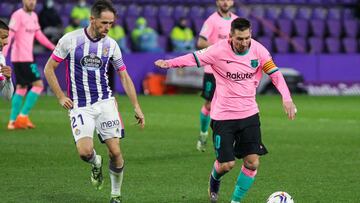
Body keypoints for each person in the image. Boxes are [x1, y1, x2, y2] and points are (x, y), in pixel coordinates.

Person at [155, 18, 297, 203]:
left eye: (247, 37)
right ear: (231, 36)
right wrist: (170, 63)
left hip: (249, 114)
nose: (244, 42)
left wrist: (287, 98)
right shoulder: (218, 50)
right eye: (239, 38)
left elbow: (275, 74)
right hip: (224, 116)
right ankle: (214, 179)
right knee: (226, 165)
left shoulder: (259, 50)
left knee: (252, 162)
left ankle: (235, 201)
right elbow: (194, 58)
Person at [44, 1, 145, 203]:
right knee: (84, 152)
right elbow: (49, 68)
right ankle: (95, 163)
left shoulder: (111, 45)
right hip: (80, 105)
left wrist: (136, 106)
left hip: (105, 102)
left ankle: (115, 195)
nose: (108, 27)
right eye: (104, 22)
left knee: (115, 152)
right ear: (92, 19)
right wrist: (61, 96)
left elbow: (124, 77)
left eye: (111, 23)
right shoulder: (71, 40)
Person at [3, 0, 55, 130]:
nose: (31, 2)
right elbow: (9, 37)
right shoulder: (17, 15)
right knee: (39, 85)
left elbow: (39, 35)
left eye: (33, 0)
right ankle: (23, 116)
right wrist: (2, 55)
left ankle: (12, 121)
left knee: (21, 88)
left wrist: (53, 47)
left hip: (27, 57)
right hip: (20, 58)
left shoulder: (34, 16)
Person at [196, 0, 238, 152]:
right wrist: (219, 49)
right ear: (217, 2)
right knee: (209, 105)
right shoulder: (211, 21)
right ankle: (203, 134)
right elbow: (200, 42)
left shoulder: (236, 21)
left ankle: (225, 139)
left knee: (230, 105)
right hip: (212, 71)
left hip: (230, 71)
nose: (225, 2)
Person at [0, 20, 14, 101]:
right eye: (3, 37)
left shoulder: (1, 58)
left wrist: (8, 80)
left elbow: (7, 97)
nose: (6, 42)